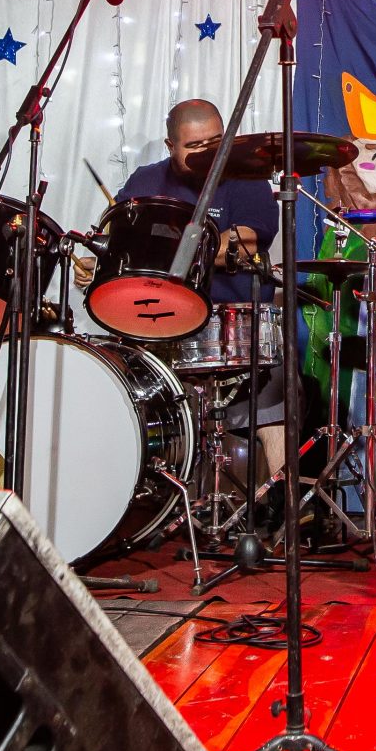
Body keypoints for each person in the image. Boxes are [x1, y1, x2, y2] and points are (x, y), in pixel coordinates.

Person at [114, 100, 286, 474]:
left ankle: (283, 497)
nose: (208, 153)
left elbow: (242, 244)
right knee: (123, 399)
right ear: (170, 145)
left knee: (275, 401)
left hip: (233, 325)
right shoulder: (146, 181)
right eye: (194, 146)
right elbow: (119, 241)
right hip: (159, 322)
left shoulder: (248, 180)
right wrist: (98, 262)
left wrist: (160, 250)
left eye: (215, 142)